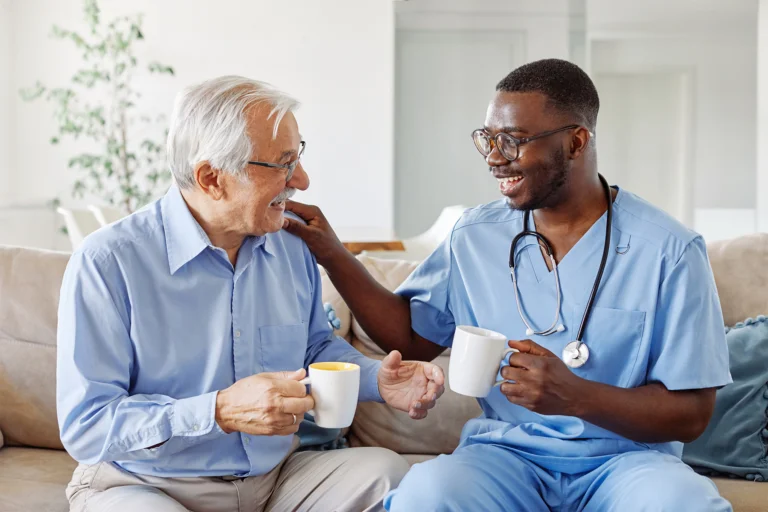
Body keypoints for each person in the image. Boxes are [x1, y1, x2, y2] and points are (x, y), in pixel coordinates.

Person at [282, 59, 733, 511]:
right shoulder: (475, 235)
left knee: (684, 503)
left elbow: (692, 413)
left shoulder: (669, 250)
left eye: (514, 141)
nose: (496, 158)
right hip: (504, 457)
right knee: (426, 495)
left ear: (576, 142)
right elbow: (408, 338)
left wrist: (576, 396)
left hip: (629, 464)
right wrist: (333, 253)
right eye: (488, 140)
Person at [56, 76, 446, 512]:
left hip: (273, 480)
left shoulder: (290, 246)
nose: (302, 178)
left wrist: (377, 379)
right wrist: (219, 411)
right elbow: (87, 426)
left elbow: (314, 347)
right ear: (212, 178)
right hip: (146, 484)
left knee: (386, 474)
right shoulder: (108, 262)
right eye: (282, 163)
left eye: (298, 157)